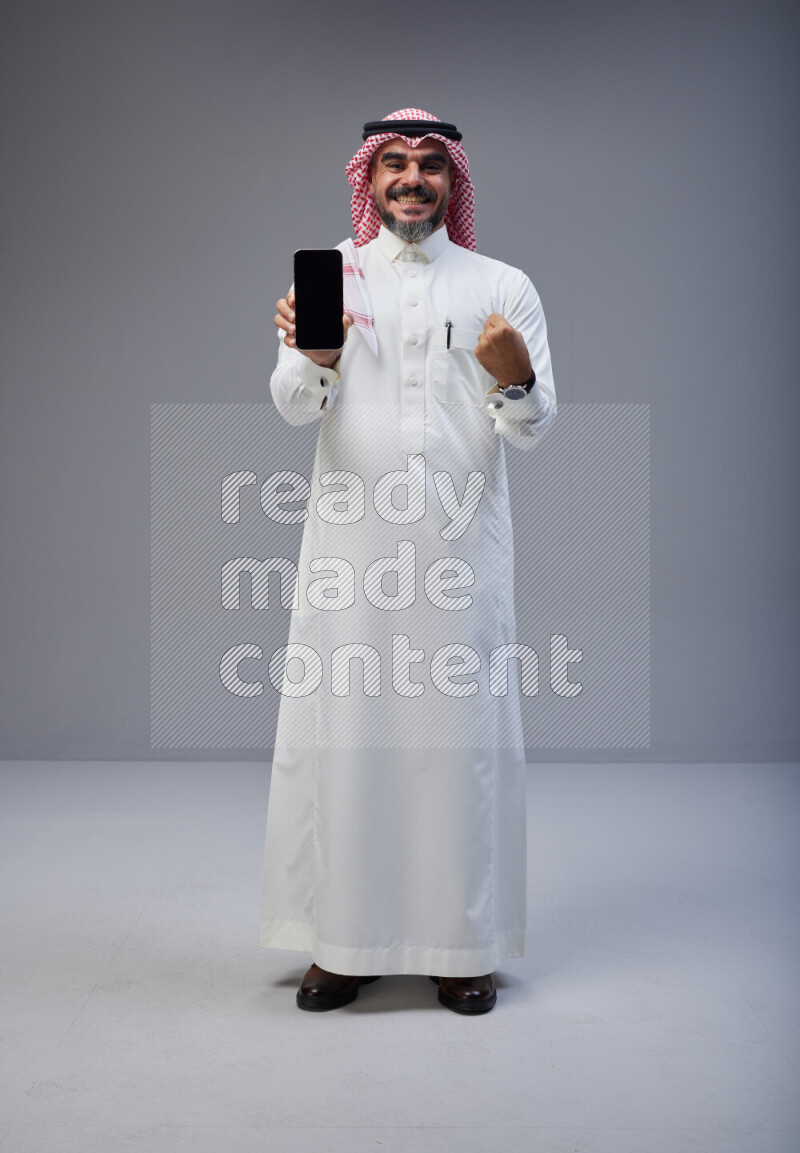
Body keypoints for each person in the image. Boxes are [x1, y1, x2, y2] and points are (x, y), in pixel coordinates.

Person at [261, 108, 556, 1014]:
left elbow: (534, 429)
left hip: (460, 551)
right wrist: (314, 356)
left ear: (453, 180)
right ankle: (342, 946)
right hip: (353, 554)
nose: (412, 179)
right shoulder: (332, 277)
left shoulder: (504, 285)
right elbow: (290, 407)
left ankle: (458, 945)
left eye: (430, 164)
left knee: (455, 746)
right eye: (393, 164)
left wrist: (513, 375)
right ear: (370, 178)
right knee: (349, 741)